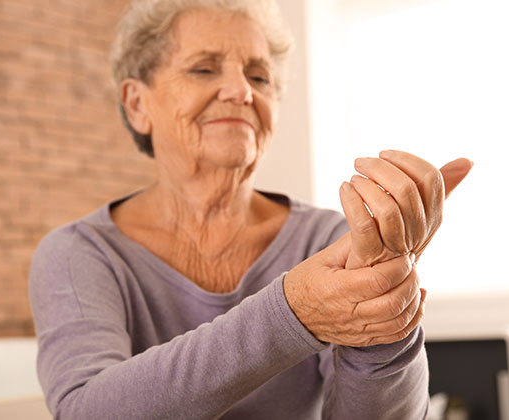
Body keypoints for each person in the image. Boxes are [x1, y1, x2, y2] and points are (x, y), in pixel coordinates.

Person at [29, 0, 473, 419]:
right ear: (137, 104)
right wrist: (294, 312)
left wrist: (385, 320)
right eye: (203, 69)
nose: (241, 91)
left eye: (259, 78)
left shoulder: (327, 241)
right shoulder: (78, 253)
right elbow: (87, 412)